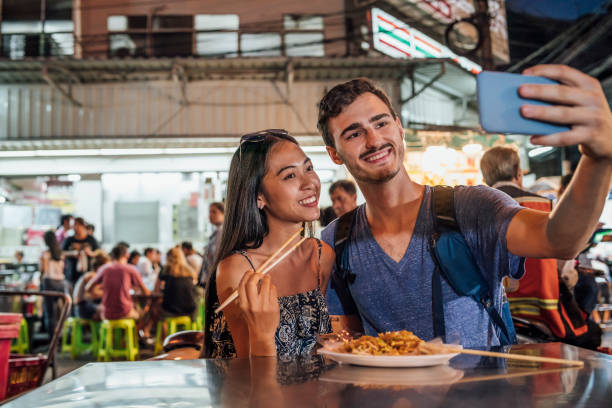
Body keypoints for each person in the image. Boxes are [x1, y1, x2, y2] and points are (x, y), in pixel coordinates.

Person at [317, 65, 612, 347]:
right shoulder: (336, 239)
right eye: (354, 134)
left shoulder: (469, 208)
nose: (374, 140)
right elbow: (349, 339)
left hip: (481, 396)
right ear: (335, 154)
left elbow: (559, 240)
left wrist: (598, 158)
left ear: (399, 128)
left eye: (380, 123)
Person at [203, 129, 334, 359]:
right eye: (290, 176)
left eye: (309, 168)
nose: (309, 183)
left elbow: (317, 346)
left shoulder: (321, 255)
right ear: (259, 196)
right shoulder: (238, 269)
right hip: (249, 390)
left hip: (309, 392)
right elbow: (249, 371)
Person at [480, 145, 601, 349]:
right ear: (518, 172)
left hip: (490, 314)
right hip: (544, 313)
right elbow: (563, 262)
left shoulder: (474, 211)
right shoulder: (543, 205)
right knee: (592, 329)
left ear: (485, 177)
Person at [86, 244, 149, 321]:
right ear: (127, 255)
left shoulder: (104, 268)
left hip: (106, 312)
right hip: (125, 311)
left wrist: (106, 292)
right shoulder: (130, 269)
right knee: (144, 313)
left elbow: (88, 288)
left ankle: (119, 332)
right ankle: (137, 332)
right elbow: (146, 292)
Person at [154, 247, 198, 337]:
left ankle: (166, 340)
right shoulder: (189, 270)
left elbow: (156, 289)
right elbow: (192, 287)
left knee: (155, 308)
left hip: (170, 310)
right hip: (190, 309)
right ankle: (183, 337)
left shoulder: (165, 270)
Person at [39, 231, 67, 335]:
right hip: (61, 282)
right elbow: (63, 270)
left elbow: (43, 270)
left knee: (50, 314)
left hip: (49, 282)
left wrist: (40, 279)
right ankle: (62, 338)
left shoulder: (45, 253)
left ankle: (51, 340)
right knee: (62, 312)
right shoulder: (60, 253)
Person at [62, 217, 99, 287]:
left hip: (88, 272)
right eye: (73, 226)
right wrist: (72, 253)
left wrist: (90, 253)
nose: (75, 228)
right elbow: (62, 253)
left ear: (82, 225)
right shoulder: (69, 240)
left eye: (77, 225)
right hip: (72, 273)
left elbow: (98, 253)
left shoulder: (91, 239)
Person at [73, 249, 107, 320]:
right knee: (107, 311)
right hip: (83, 308)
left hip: (81, 307)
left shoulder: (91, 274)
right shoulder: (92, 276)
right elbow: (94, 294)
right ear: (101, 266)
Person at [199, 202, 225, 286]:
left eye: (214, 212)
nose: (210, 215)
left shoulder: (223, 233)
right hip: (211, 279)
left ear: (224, 213)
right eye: (209, 212)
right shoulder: (216, 233)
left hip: (216, 279)